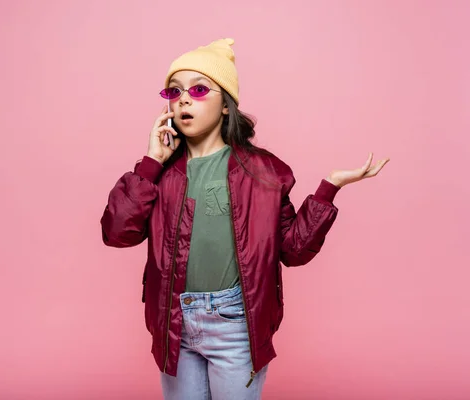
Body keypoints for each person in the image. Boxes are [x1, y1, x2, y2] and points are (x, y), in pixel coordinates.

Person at [100, 38, 389, 400]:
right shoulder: (161, 172)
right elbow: (116, 233)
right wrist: (151, 161)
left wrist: (328, 189)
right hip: (175, 321)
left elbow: (293, 250)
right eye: (174, 92)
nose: (184, 99)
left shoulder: (264, 172)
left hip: (235, 323)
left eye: (200, 89)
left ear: (225, 105)